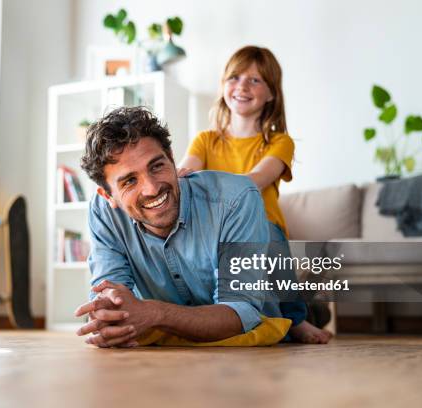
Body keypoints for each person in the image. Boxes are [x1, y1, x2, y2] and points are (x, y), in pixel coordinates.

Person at [74, 106, 330, 348]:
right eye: (130, 180)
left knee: (273, 242)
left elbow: (241, 312)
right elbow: (111, 295)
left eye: (157, 166)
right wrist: (108, 313)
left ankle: (307, 314)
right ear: (109, 196)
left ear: (172, 158)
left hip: (262, 298)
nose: (152, 188)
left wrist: (154, 313)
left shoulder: (237, 197)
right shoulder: (102, 212)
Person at [177, 45, 331, 342]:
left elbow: (253, 182)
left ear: (271, 93)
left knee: (267, 236)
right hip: (216, 230)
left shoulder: (279, 142)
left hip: (263, 228)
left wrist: (204, 184)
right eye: (234, 77)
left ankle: (296, 318)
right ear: (223, 86)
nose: (242, 86)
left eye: (255, 80)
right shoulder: (205, 141)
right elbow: (187, 174)